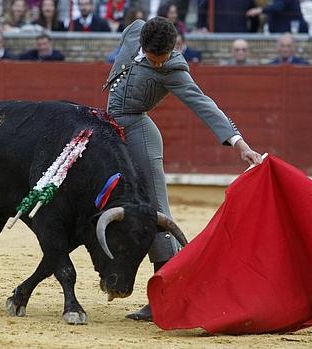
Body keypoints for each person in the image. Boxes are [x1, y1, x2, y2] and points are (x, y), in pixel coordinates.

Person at [105, 17, 263, 321]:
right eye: (154, 59)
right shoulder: (134, 31)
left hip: (139, 134)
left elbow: (204, 104)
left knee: (154, 211)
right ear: (143, 45)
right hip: (110, 132)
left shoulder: (174, 68)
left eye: (164, 58)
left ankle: (165, 295)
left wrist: (240, 144)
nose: (160, 63)